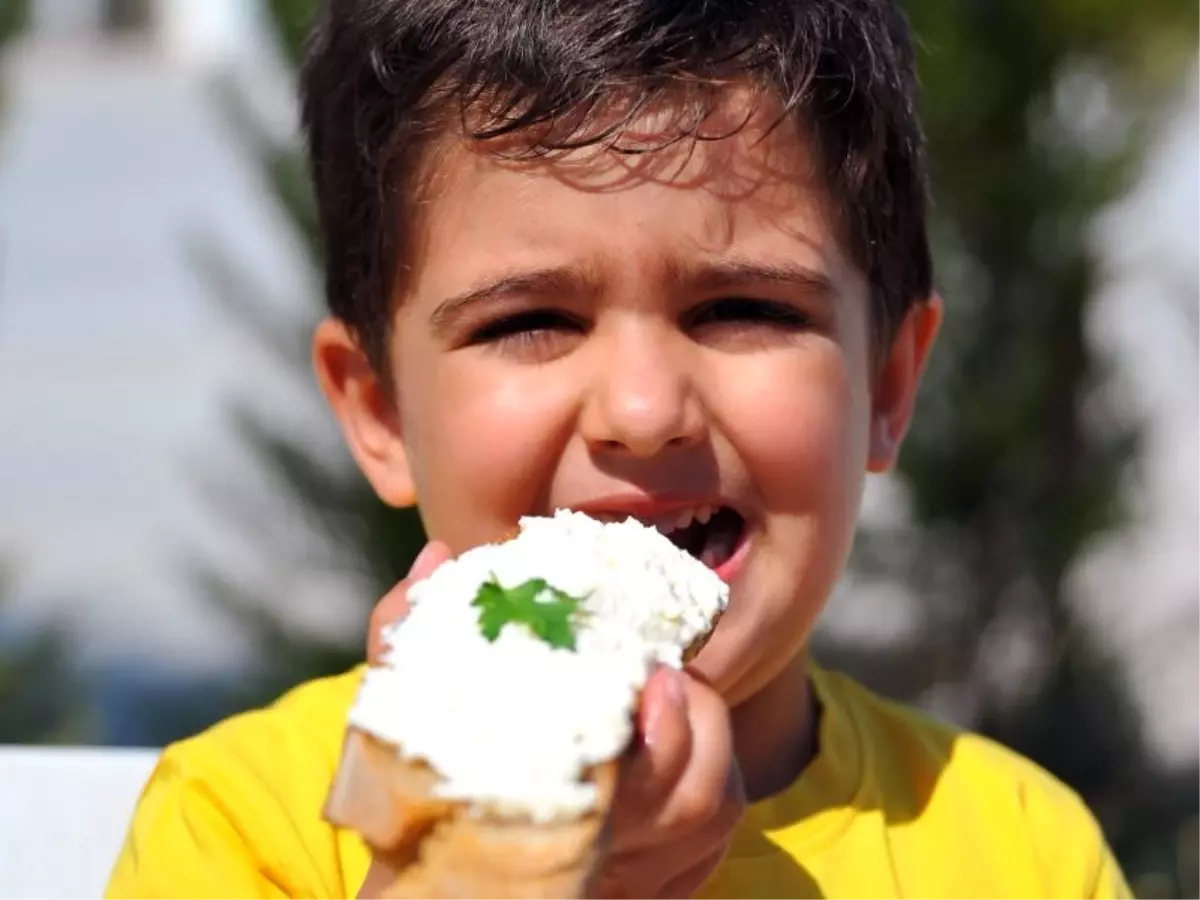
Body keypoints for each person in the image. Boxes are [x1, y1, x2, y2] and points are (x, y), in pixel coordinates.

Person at [106, 1, 1133, 897]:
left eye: (740, 308)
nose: (643, 413)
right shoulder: (246, 828)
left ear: (889, 386)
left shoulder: (1021, 853)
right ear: (380, 414)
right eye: (529, 321)